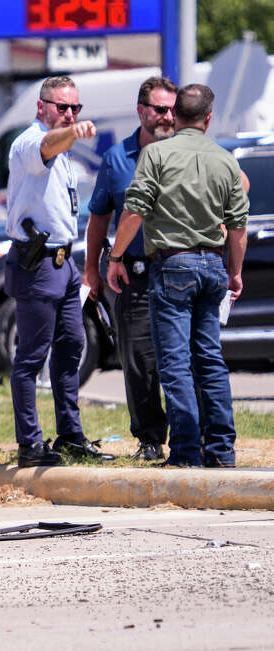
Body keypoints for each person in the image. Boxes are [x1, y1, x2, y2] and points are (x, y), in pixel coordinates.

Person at [108, 84, 248, 468]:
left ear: (176, 115)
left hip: (172, 267)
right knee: (210, 360)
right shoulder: (224, 159)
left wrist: (115, 256)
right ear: (208, 118)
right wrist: (234, 272)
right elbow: (238, 226)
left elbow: (133, 211)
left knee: (174, 363)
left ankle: (186, 452)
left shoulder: (155, 153)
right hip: (213, 266)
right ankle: (220, 450)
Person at [4, 75, 115, 467]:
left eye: (74, 108)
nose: (68, 114)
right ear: (41, 107)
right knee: (31, 357)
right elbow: (47, 146)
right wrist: (72, 132)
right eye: (61, 107)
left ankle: (69, 434)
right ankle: (29, 444)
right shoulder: (31, 142)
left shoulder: (63, 152)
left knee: (71, 348)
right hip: (37, 263)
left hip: (64, 262)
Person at [84, 77, 176, 463]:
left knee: (180, 358)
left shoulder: (187, 153)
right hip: (132, 272)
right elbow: (99, 218)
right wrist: (91, 269)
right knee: (138, 359)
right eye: (160, 109)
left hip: (177, 269)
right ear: (141, 112)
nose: (168, 116)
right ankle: (150, 438)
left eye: (173, 109)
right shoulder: (117, 158)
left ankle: (193, 436)